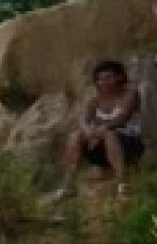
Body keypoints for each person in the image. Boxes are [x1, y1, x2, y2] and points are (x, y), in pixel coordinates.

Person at [58, 61, 144, 200]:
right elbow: (84, 121)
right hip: (101, 144)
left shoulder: (130, 95)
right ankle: (67, 185)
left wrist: (101, 130)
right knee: (76, 136)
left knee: (110, 134)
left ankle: (123, 185)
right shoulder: (95, 101)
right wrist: (88, 132)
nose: (103, 82)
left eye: (108, 78)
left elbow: (122, 119)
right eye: (99, 79)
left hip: (129, 144)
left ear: (119, 77)